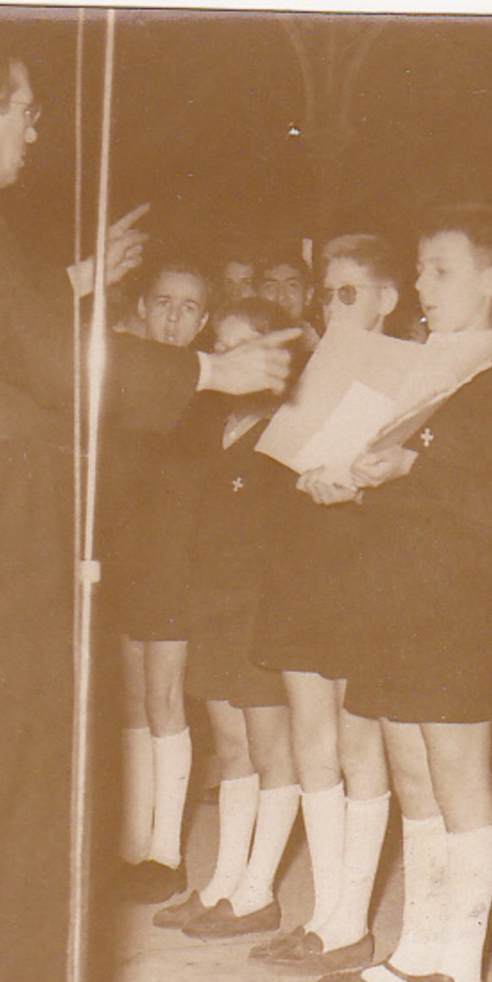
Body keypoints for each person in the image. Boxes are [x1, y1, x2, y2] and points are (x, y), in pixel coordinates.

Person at [0, 29, 296, 982]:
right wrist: (207, 364)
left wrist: (72, 277)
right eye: (21, 108)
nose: (31, 127)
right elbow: (28, 351)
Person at [313, 205, 492, 982]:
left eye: (441, 270)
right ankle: (417, 953)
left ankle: (464, 973)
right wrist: (345, 477)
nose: (422, 285)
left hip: (454, 595)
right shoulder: (416, 367)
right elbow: (382, 469)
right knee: (412, 775)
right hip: (393, 587)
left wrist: (416, 464)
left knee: (458, 778)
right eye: (419, 270)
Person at [245, 234, 403, 960]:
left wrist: (363, 487)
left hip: (366, 567)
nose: (334, 306)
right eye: (327, 293)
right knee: (312, 739)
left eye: (350, 293)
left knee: (357, 739)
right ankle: (323, 917)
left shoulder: (410, 375)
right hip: (301, 564)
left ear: (386, 301)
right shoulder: (308, 370)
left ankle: (352, 919)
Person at [148, 297, 298, 939]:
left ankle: (258, 890)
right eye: (223, 344)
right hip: (214, 603)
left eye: (243, 345)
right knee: (232, 748)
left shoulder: (290, 426)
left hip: (263, 608)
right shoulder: (211, 421)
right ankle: (224, 884)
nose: (230, 357)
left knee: (272, 751)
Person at [108, 259, 215, 905]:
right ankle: (131, 843)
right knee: (131, 701)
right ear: (142, 308)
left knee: (165, 697)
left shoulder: (209, 391)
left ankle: (166, 852)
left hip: (180, 557)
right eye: (164, 303)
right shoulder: (119, 381)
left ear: (204, 321)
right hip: (128, 552)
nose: (175, 316)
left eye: (190, 307)